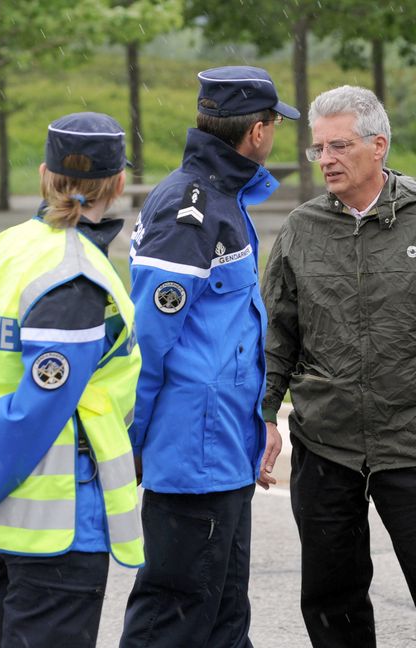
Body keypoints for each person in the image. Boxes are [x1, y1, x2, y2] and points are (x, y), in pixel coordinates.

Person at [119, 65, 299, 648]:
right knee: (173, 617)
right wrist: (134, 446)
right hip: (191, 453)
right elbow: (149, 343)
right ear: (256, 133)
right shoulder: (189, 209)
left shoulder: (224, 196)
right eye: (274, 122)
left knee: (223, 614)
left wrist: (258, 428)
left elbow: (229, 339)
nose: (275, 133)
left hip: (222, 447)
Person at [261, 84, 416, 648]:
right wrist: (265, 417)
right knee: (332, 601)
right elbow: (277, 333)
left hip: (411, 442)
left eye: (339, 146)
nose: (325, 159)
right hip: (326, 445)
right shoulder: (301, 229)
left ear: (378, 146)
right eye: (317, 149)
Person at [0, 111, 144, 648]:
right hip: (56, 522)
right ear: (119, 184)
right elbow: (38, 411)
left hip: (11, 515)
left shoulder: (2, 249)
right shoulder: (74, 275)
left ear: (45, 176)